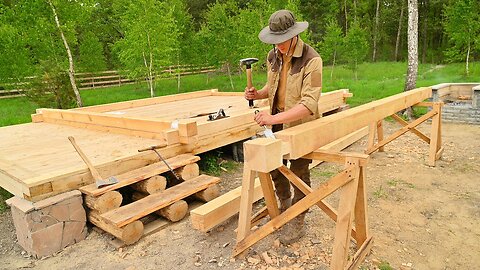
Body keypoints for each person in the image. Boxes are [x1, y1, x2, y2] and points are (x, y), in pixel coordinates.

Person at [244, 9, 322, 244]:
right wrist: (258, 94)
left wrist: (272, 119)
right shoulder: (273, 56)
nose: (277, 46)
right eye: (274, 41)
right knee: (273, 166)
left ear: (294, 35)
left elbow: (309, 103)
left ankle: (298, 219)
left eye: (281, 41)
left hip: (301, 125)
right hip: (276, 123)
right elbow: (275, 86)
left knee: (298, 171)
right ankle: (284, 205)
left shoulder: (312, 59)